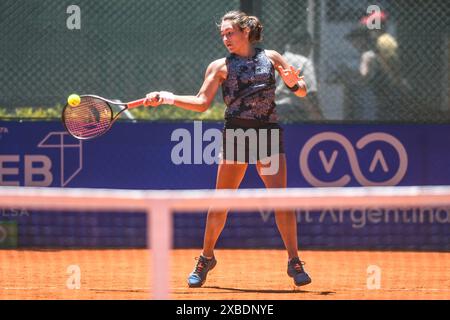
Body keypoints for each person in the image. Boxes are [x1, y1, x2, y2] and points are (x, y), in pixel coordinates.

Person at [143, 11, 312, 288]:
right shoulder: (219, 66)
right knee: (220, 203)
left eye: (230, 33)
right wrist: (166, 97)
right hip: (237, 134)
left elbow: (302, 91)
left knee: (281, 201)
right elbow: (201, 103)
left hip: (267, 135)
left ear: (245, 32)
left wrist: (294, 83)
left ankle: (294, 261)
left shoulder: (272, 58)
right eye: (222, 34)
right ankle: (205, 257)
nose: (225, 38)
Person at [275, 31, 323, 122]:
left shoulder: (277, 60)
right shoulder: (304, 62)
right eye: (309, 45)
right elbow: (310, 92)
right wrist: (317, 114)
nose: (310, 49)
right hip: (293, 110)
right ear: (303, 45)